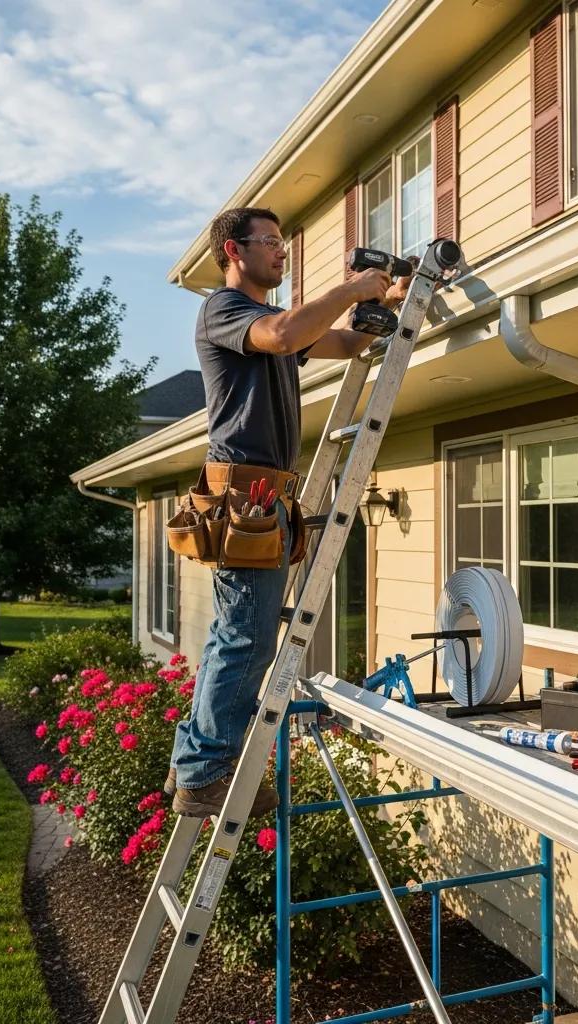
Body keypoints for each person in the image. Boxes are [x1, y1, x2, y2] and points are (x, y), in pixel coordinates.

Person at [166, 206, 408, 817]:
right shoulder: (225, 312)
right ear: (233, 251)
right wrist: (352, 286)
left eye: (283, 243)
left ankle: (189, 762)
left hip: (268, 495)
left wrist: (391, 304)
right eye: (269, 242)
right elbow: (280, 335)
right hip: (245, 496)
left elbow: (346, 343)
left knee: (233, 635)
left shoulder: (274, 325)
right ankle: (205, 774)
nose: (282, 252)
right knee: (245, 638)